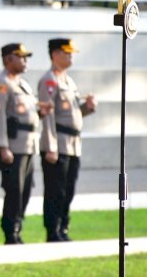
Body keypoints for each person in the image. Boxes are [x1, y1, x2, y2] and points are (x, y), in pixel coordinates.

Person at [0, 43, 51, 244]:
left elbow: (28, 114)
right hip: (13, 147)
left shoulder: (22, 84)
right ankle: (10, 231)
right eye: (21, 57)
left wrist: (41, 112)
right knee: (14, 190)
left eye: (26, 57)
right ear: (8, 59)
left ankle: (18, 227)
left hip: (28, 145)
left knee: (25, 190)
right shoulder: (2, 84)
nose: (25, 61)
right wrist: (3, 146)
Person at [38, 38, 97, 242]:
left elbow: (72, 114)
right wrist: (51, 147)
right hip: (58, 143)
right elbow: (47, 116)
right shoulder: (49, 81)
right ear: (55, 54)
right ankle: (52, 230)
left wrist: (87, 107)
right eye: (67, 52)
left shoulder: (69, 82)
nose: (71, 55)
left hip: (73, 144)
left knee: (69, 189)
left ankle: (63, 227)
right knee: (56, 190)